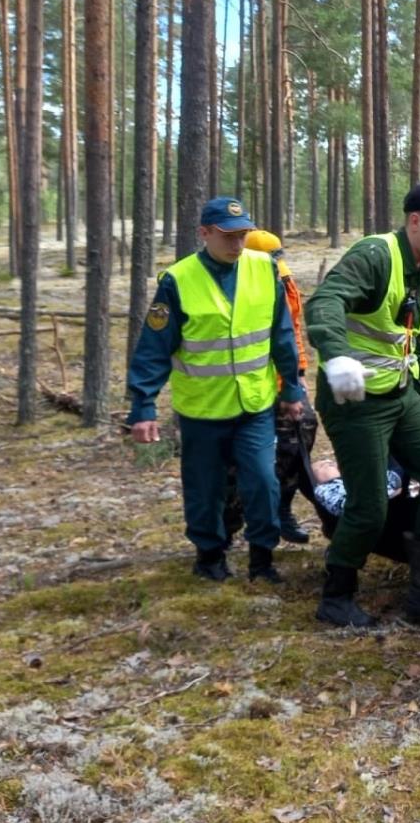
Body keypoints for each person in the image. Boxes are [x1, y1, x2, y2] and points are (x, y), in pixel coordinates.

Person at [303, 181, 420, 628]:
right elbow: (325, 300)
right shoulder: (378, 255)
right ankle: (336, 594)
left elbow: (410, 341)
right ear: (414, 221)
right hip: (355, 400)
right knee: (370, 504)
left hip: (401, 395)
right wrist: (337, 354)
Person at [125, 196, 307, 584]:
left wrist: (292, 388)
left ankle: (262, 560)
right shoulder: (178, 280)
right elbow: (153, 348)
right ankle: (209, 556)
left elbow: (282, 336)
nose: (237, 244)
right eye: (227, 235)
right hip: (202, 411)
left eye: (243, 235)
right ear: (204, 233)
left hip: (254, 404)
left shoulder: (265, 269)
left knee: (262, 481)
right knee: (205, 489)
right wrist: (143, 405)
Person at [231, 228, 315, 544]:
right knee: (240, 461)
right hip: (242, 387)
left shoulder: (286, 284)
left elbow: (292, 333)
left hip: (283, 382)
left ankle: (281, 509)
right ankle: (229, 525)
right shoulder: (236, 288)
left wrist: (300, 374)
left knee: (302, 430)